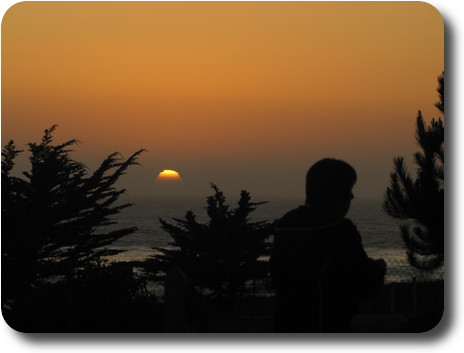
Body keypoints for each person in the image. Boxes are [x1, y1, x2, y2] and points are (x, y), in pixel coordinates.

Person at [270, 158, 386, 332]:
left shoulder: (285, 226)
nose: (352, 197)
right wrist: (378, 268)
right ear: (335, 193)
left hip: (286, 324)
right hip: (328, 325)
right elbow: (364, 286)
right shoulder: (340, 231)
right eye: (348, 190)